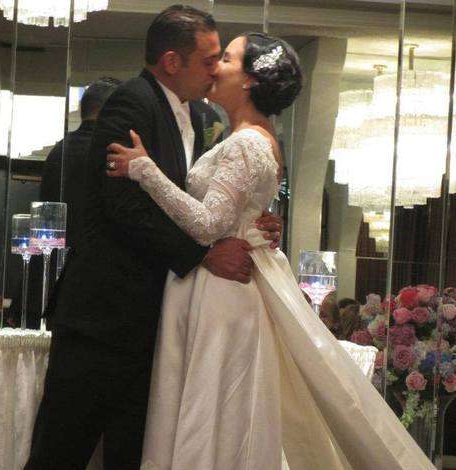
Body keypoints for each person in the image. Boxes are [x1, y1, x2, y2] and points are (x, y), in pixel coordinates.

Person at [107, 33, 435, 470]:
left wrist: (144, 170)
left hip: (221, 288)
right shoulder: (253, 136)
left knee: (213, 405)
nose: (214, 66)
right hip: (223, 280)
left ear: (247, 80)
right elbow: (236, 209)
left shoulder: (246, 141)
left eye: (225, 58)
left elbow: (208, 224)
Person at [24, 6, 282, 470]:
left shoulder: (199, 115)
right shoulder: (132, 102)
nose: (214, 69)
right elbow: (122, 207)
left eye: (222, 60)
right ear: (170, 61)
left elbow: (201, 200)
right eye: (208, 60)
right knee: (60, 451)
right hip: (104, 318)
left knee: (135, 454)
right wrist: (201, 255)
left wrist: (253, 222)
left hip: (156, 320)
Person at [40, 77, 122, 248]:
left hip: (57, 258)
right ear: (113, 112)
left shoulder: (59, 150)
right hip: (94, 260)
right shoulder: (109, 153)